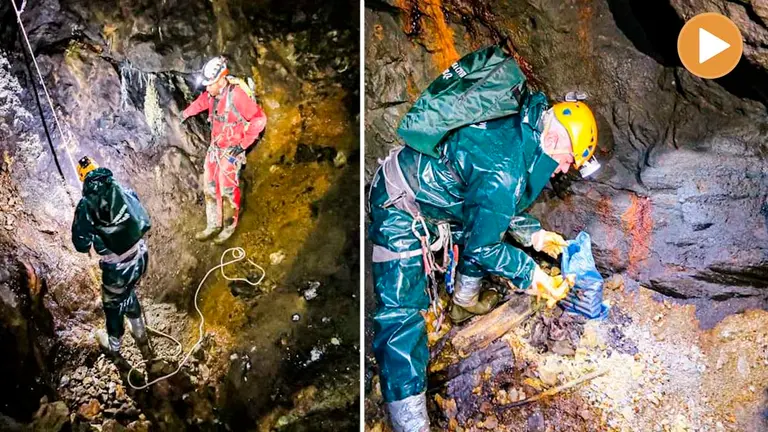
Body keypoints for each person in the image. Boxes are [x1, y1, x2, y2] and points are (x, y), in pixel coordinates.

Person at [368, 86, 600, 430]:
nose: (563, 171)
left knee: (482, 232)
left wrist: (534, 235)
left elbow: (492, 200)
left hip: (443, 194)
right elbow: (486, 237)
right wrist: (533, 275)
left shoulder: (522, 130)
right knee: (401, 316)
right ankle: (411, 423)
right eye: (568, 161)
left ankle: (463, 303)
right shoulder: (507, 167)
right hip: (400, 204)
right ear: (555, 142)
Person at [71, 156, 153, 370]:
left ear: (82, 179)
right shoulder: (121, 188)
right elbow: (140, 216)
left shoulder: (86, 205)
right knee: (127, 292)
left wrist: (91, 236)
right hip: (141, 256)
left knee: (112, 305)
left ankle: (114, 346)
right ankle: (140, 333)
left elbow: (80, 243)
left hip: (118, 267)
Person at [180, 56, 268, 244]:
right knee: (210, 184)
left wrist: (243, 145)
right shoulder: (213, 94)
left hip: (232, 149)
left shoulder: (236, 95)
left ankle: (228, 226)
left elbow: (259, 119)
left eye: (210, 84)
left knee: (226, 187)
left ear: (221, 80)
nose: (207, 88)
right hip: (216, 147)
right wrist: (186, 113)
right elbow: (203, 101)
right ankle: (213, 224)